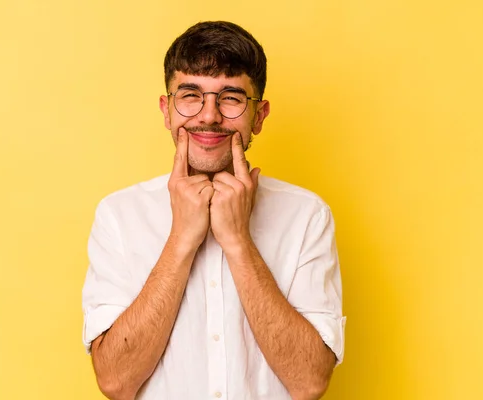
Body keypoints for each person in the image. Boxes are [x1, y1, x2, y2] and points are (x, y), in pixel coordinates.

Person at [81, 21, 346, 400]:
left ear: (260, 115)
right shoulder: (119, 215)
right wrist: (181, 239)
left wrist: (238, 242)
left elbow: (309, 383)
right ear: (166, 109)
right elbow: (115, 382)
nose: (208, 116)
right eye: (191, 95)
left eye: (231, 97)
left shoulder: (307, 216)